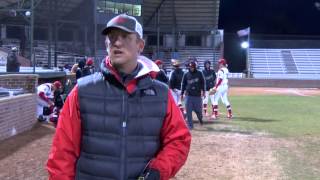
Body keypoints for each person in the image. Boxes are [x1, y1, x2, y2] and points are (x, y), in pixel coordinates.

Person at [47, 14, 191, 180]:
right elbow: (62, 154)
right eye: (112, 37)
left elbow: (179, 140)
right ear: (106, 44)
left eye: (125, 37)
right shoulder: (83, 91)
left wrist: (159, 170)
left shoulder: (161, 94)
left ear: (140, 45)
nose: (117, 42)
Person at [181, 60, 205, 129]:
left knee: (199, 111)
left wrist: (203, 90)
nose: (191, 68)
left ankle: (200, 119)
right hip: (188, 96)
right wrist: (182, 93)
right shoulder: (186, 74)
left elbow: (203, 83)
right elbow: (183, 84)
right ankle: (190, 126)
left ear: (195, 67)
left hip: (197, 96)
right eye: (190, 67)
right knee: (188, 111)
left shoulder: (199, 73)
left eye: (192, 67)